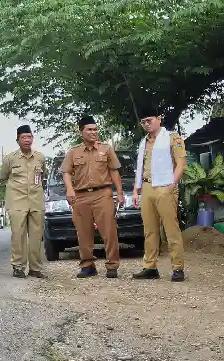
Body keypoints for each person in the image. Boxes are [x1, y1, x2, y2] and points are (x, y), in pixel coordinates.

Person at [62, 116, 123, 278]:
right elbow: (66, 172)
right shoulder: (73, 152)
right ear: (80, 131)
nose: (93, 132)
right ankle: (88, 265)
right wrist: (69, 190)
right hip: (80, 196)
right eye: (89, 129)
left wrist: (120, 193)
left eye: (95, 129)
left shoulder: (106, 149)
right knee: (83, 232)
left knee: (109, 231)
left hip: (103, 194)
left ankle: (112, 265)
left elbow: (114, 171)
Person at [131, 105, 187, 282]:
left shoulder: (172, 138)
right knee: (149, 230)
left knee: (171, 228)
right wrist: (135, 190)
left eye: (150, 120)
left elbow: (181, 164)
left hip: (165, 186)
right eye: (143, 122)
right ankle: (150, 266)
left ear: (159, 119)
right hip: (147, 186)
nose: (147, 124)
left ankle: (177, 268)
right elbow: (140, 168)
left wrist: (172, 184)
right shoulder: (143, 142)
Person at [0, 124, 47, 278]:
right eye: (23, 137)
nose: (27, 140)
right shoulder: (10, 159)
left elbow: (43, 175)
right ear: (18, 140)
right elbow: (2, 178)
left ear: (32, 138)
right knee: (18, 235)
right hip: (17, 202)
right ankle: (18, 267)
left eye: (29, 137)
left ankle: (35, 268)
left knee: (36, 236)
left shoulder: (40, 157)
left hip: (36, 201)